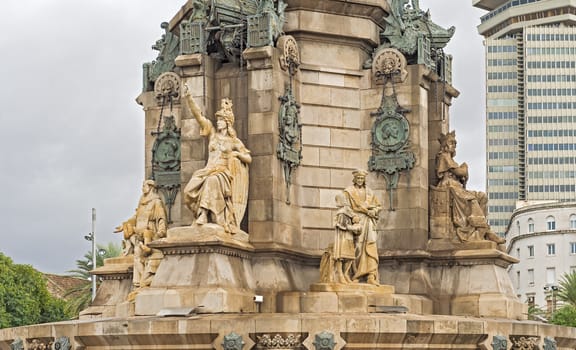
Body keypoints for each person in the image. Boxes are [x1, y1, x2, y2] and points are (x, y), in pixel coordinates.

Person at [181, 84, 252, 234]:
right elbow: (198, 116)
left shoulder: (234, 142)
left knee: (211, 181)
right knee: (188, 191)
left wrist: (237, 155)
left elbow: (248, 158)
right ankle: (200, 214)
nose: (218, 121)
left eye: (220, 119)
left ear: (227, 122)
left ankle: (203, 214)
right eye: (218, 119)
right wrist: (189, 98)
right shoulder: (212, 134)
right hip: (207, 170)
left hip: (222, 173)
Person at [435, 131, 505, 244]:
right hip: (449, 186)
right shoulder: (444, 156)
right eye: (452, 143)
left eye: (455, 143)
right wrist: (464, 168)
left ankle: (483, 230)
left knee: (481, 196)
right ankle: (484, 231)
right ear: (445, 146)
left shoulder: (451, 159)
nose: (454, 146)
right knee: (471, 200)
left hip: (457, 186)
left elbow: (461, 175)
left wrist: (463, 172)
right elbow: (458, 172)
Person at [114, 179, 167, 288]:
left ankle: (142, 282)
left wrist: (161, 231)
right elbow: (136, 217)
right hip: (138, 234)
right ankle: (139, 282)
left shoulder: (156, 201)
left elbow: (161, 217)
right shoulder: (142, 202)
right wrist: (124, 225)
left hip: (150, 233)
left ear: (150, 187)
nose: (142, 188)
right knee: (137, 255)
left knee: (141, 253)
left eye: (144, 186)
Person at [342, 169, 382, 285]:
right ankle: (355, 274)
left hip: (369, 222)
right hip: (357, 222)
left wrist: (373, 211)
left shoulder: (370, 192)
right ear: (354, 179)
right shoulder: (348, 192)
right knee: (357, 247)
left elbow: (378, 206)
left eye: (362, 178)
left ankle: (371, 275)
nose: (360, 180)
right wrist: (354, 216)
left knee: (370, 246)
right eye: (358, 178)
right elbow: (345, 207)